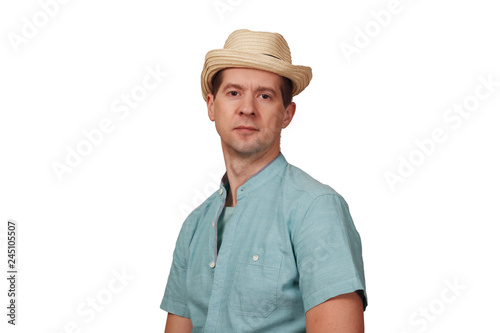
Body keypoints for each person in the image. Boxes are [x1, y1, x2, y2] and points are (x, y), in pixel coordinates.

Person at [160, 29, 367, 332]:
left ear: (286, 113)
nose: (247, 108)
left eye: (265, 96)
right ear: (210, 105)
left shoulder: (315, 209)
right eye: (233, 92)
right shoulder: (194, 226)